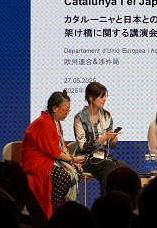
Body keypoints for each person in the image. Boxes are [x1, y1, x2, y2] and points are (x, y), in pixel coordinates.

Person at [20, 90, 84, 218]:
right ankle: (52, 214)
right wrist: (72, 160)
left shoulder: (56, 122)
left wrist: (71, 162)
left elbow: (61, 146)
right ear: (55, 108)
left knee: (76, 172)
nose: (67, 112)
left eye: (69, 110)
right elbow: (54, 152)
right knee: (63, 176)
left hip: (48, 158)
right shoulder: (43, 122)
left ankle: (64, 212)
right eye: (65, 109)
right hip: (36, 162)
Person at [72, 81, 129, 189]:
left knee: (123, 167)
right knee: (109, 166)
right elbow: (83, 147)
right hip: (85, 158)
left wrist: (112, 140)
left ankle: (121, 197)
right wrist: (104, 138)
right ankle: (107, 198)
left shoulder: (106, 115)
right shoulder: (80, 118)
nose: (104, 99)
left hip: (103, 156)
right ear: (91, 98)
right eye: (101, 96)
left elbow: (109, 145)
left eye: (105, 96)